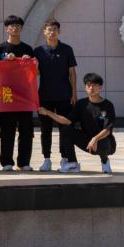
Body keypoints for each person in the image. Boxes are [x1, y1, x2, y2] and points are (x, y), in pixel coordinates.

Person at [38, 73, 116, 173]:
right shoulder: (81, 104)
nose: (91, 88)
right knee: (65, 129)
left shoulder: (108, 105)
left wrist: (95, 138)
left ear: (100, 87)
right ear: (85, 88)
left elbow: (108, 130)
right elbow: (67, 121)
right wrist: (48, 113)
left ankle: (105, 161)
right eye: (88, 85)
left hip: (105, 143)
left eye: (94, 85)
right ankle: (73, 163)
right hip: (87, 142)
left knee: (103, 140)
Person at [33, 19, 78, 172]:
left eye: (54, 29)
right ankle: (46, 159)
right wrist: (35, 66)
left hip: (64, 95)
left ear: (59, 32)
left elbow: (72, 73)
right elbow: (35, 73)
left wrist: (74, 93)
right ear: (44, 32)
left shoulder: (67, 49)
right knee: (45, 129)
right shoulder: (38, 51)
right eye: (49, 30)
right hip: (45, 95)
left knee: (64, 128)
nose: (52, 32)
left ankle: (65, 158)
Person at [0, 15, 35, 171]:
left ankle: (24, 162)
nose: (15, 28)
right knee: (7, 130)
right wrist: (5, 61)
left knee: (26, 130)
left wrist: (28, 62)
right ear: (7, 29)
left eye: (18, 26)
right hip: (6, 95)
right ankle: (6, 162)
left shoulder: (28, 49)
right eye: (11, 26)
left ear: (21, 28)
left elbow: (35, 71)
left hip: (24, 95)